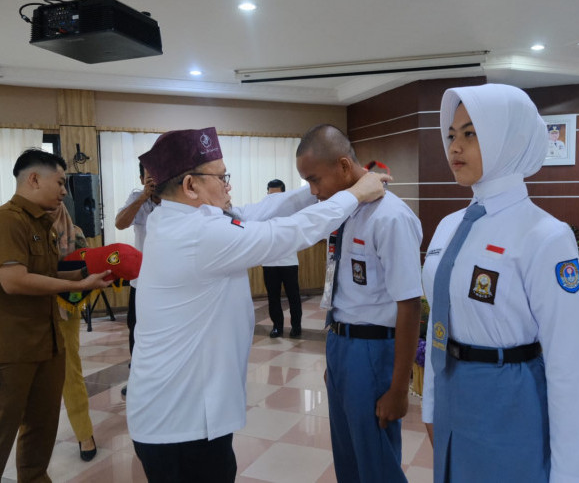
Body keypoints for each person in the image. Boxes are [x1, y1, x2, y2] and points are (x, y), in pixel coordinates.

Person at [126, 127, 388, 482]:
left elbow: (262, 211)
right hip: (180, 423)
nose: (228, 185)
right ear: (190, 186)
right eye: (221, 177)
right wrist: (355, 194)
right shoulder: (194, 234)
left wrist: (319, 188)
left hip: (187, 414)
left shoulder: (182, 217)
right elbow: (285, 234)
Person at [421, 84, 579, 482]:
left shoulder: (546, 236)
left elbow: (567, 367)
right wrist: (431, 405)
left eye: (470, 133)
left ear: (508, 138)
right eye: (450, 135)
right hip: (451, 395)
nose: (454, 148)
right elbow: (437, 322)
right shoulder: (449, 228)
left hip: (509, 401)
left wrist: (567, 476)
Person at [296, 124, 423, 483]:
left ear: (343, 165)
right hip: (342, 346)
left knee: (376, 463)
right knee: (349, 459)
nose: (314, 191)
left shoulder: (390, 216)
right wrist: (334, 359)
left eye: (315, 179)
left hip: (372, 352)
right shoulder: (345, 210)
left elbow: (409, 305)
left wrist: (399, 389)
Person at [0, 149, 111, 482]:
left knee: (41, 428)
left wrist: (81, 279)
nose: (65, 191)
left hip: (48, 342)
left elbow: (45, 273)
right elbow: (13, 280)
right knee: (5, 428)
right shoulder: (8, 220)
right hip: (14, 348)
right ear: (34, 179)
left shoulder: (44, 223)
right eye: (60, 182)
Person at [51, 203, 98, 461]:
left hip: (64, 308)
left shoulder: (75, 231)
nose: (62, 191)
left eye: (62, 185)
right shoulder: (18, 226)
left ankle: (84, 433)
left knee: (71, 372)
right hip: (26, 312)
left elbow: (87, 265)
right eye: (57, 183)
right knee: (28, 379)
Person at [115, 163, 160, 397]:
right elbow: (120, 223)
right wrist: (143, 197)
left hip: (168, 282)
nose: (153, 180)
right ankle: (138, 380)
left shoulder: (175, 197)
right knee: (136, 331)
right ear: (141, 177)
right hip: (140, 281)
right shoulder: (136, 197)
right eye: (148, 176)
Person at [262, 179, 303, 338]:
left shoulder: (292, 211)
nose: (273, 200)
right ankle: (277, 327)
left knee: (293, 296)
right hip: (269, 261)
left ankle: (296, 326)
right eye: (270, 195)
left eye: (277, 196)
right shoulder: (262, 212)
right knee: (273, 297)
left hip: (289, 261)